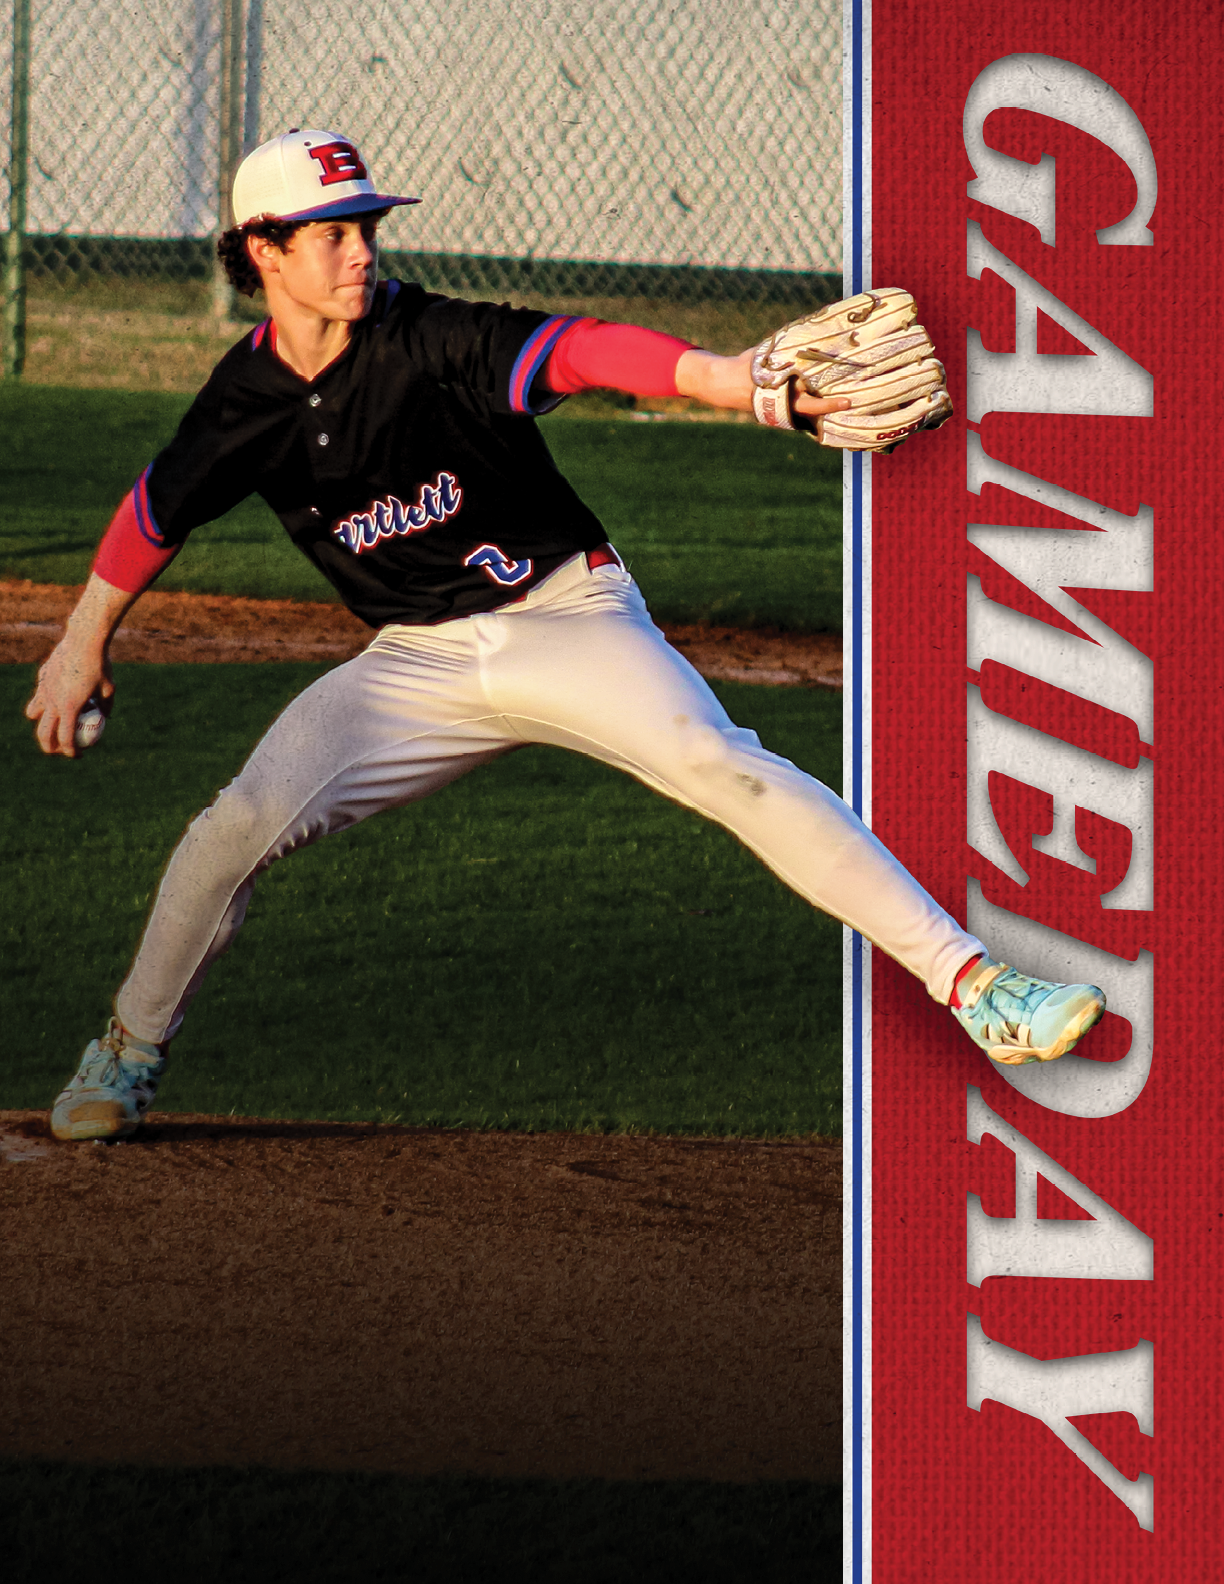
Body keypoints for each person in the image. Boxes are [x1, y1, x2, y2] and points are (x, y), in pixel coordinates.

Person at [27, 129, 1106, 1143]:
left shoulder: (430, 334)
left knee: (716, 762)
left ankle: (979, 987)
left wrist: (722, 380)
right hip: (413, 664)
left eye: (368, 228)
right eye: (333, 233)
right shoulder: (243, 402)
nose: (363, 252)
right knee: (236, 825)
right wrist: (83, 643)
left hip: (568, 620)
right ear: (264, 250)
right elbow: (155, 512)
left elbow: (581, 350)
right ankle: (126, 1050)